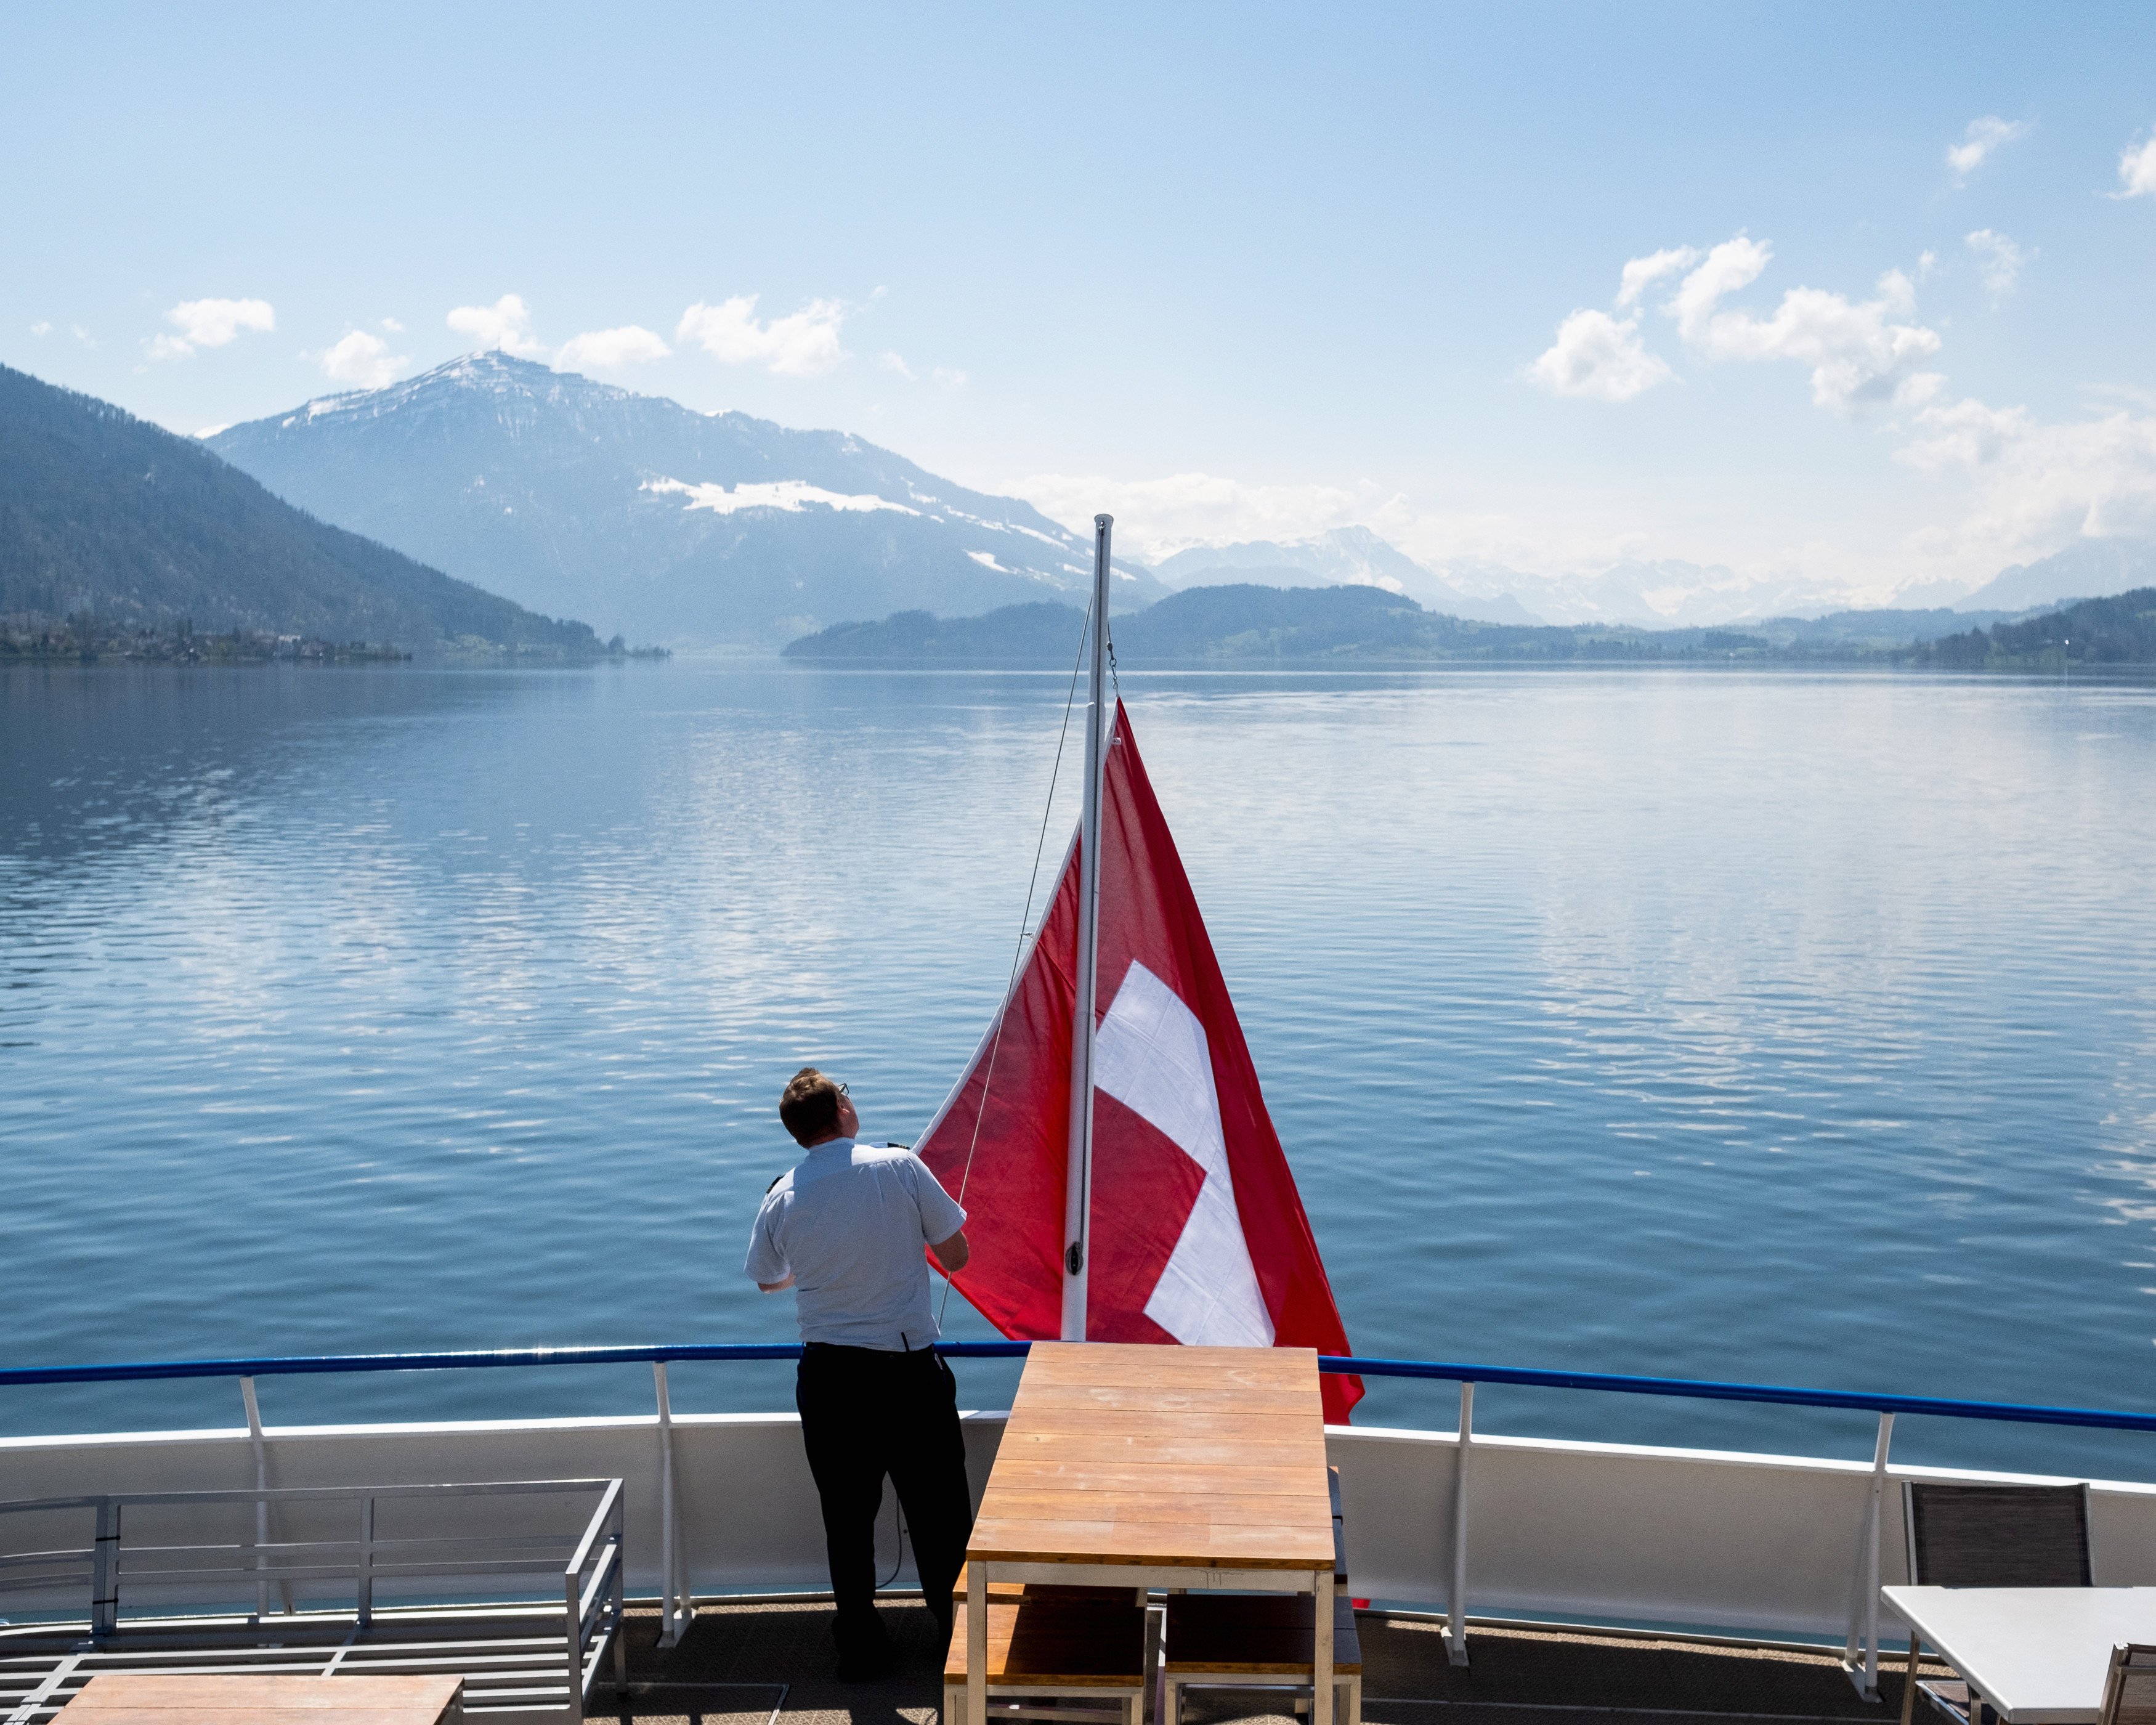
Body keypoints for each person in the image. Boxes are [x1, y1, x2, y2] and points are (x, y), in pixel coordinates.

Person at [744, 1067, 976, 1680]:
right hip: (907, 1376)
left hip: (830, 1381)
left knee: (846, 1519)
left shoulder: (781, 1194)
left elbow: (767, 1279)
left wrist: (824, 1261)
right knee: (940, 1515)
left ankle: (860, 1649)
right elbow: (956, 1254)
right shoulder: (899, 1167)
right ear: (842, 1111)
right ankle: (955, 1641)